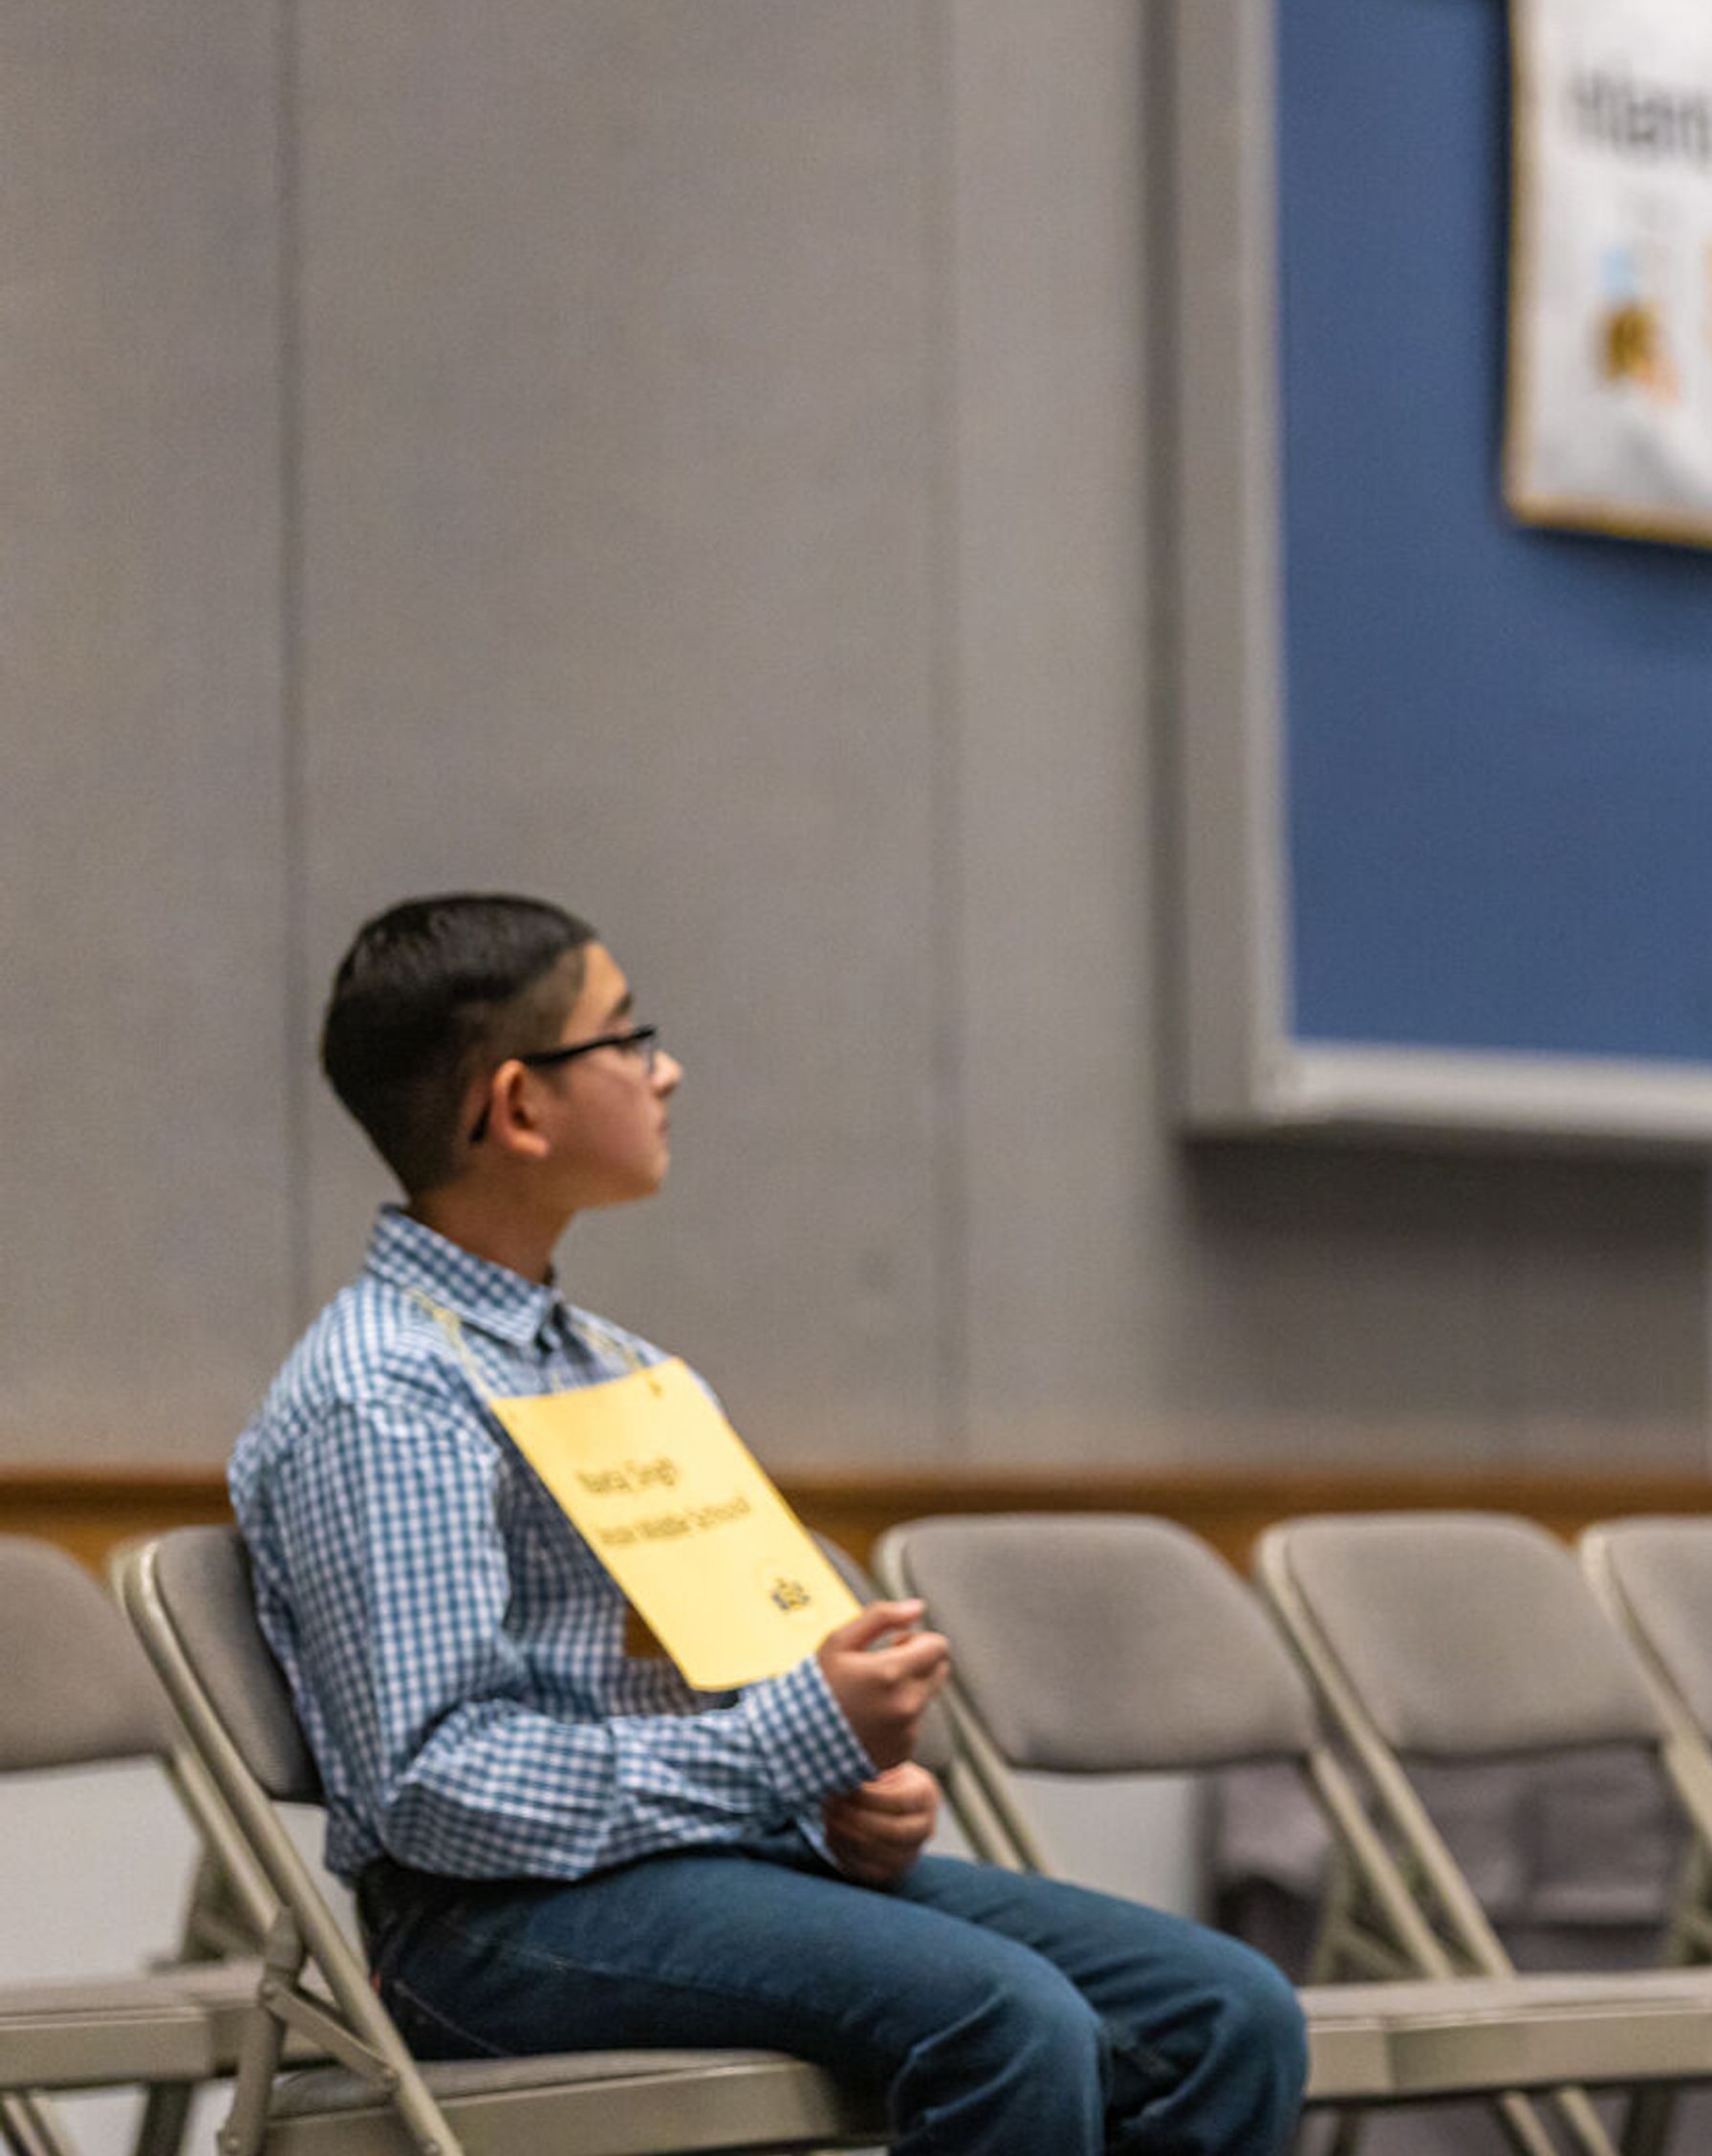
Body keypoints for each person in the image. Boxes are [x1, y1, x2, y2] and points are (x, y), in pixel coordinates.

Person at [232, 894, 1306, 2155]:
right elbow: (434, 1784)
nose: (664, 1067)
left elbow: (715, 1689)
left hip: (686, 1864)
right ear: (519, 1107)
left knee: (1231, 2010)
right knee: (1007, 2022)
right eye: (626, 1038)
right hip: (483, 1927)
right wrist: (787, 1746)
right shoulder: (384, 1394)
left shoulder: (617, 1370)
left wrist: (837, 1792)